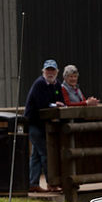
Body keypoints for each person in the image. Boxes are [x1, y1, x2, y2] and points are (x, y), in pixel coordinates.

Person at [24, 59, 65, 193]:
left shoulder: (57, 85)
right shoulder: (39, 84)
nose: (50, 72)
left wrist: (57, 104)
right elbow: (41, 104)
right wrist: (54, 104)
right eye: (48, 70)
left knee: (36, 155)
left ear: (57, 72)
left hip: (45, 126)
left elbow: (62, 101)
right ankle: (51, 183)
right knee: (46, 154)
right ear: (43, 71)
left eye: (53, 70)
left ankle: (32, 183)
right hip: (34, 124)